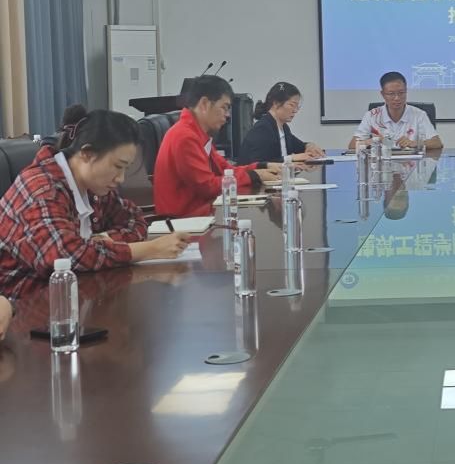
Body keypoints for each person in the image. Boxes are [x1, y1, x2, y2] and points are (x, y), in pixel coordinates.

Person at [0, 107, 191, 301]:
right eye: (117, 166)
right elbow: (64, 257)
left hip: (75, 297)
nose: (120, 178)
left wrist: (100, 240)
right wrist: (150, 249)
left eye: (125, 169)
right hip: (23, 306)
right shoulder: (41, 188)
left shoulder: (92, 186)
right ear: (87, 154)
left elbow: (135, 220)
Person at [153, 76, 281, 218]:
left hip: (201, 213)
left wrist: (262, 166)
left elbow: (226, 170)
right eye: (224, 107)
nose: (227, 115)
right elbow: (207, 187)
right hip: (184, 221)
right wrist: (254, 176)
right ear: (204, 104)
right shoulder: (185, 136)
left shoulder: (197, 133)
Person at [348, 71, 443, 151]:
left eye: (401, 93)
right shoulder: (372, 115)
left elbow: (437, 143)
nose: (397, 98)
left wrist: (415, 143)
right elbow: (352, 146)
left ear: (406, 91)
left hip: (411, 165)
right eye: (391, 94)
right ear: (383, 94)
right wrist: (373, 141)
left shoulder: (419, 114)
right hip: (382, 165)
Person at [239, 82, 325, 164]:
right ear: (276, 103)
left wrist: (309, 145)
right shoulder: (262, 128)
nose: (295, 110)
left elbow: (299, 146)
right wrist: (291, 158)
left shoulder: (284, 128)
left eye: (297, 106)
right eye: (292, 105)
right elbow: (259, 164)